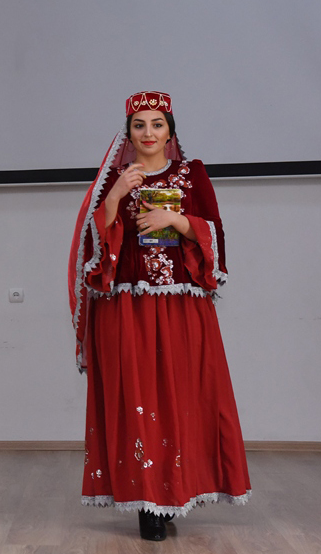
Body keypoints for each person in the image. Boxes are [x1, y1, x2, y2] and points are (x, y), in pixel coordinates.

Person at [67, 91, 250, 541]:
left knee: (182, 398)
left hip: (182, 308)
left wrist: (177, 219)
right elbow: (92, 247)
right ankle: (147, 503)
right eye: (139, 125)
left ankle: (174, 492)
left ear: (170, 131)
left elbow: (215, 234)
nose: (148, 133)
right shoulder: (114, 179)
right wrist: (115, 197)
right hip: (126, 309)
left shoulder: (192, 174)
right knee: (136, 398)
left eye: (157, 124)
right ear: (128, 133)